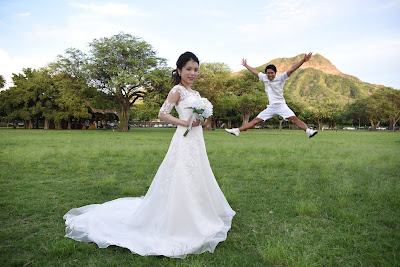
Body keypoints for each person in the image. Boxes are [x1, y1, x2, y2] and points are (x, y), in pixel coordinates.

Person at [63, 52, 235, 258]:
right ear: (179, 70)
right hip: (184, 138)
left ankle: (199, 211)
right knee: (182, 174)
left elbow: (199, 117)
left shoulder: (197, 94)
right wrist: (184, 122)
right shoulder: (177, 90)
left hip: (197, 139)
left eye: (196, 69)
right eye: (188, 69)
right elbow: (162, 114)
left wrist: (203, 118)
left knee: (198, 173)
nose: (192, 73)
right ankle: (180, 217)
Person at [225, 52, 318, 138]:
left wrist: (303, 60)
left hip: (281, 105)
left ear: (275, 73)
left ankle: (308, 131)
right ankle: (237, 130)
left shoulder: (281, 78)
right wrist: (246, 65)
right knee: (255, 121)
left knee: (294, 119)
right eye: (268, 73)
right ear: (266, 73)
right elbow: (254, 71)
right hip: (271, 107)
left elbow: (292, 69)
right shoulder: (264, 78)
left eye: (272, 73)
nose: (270, 75)